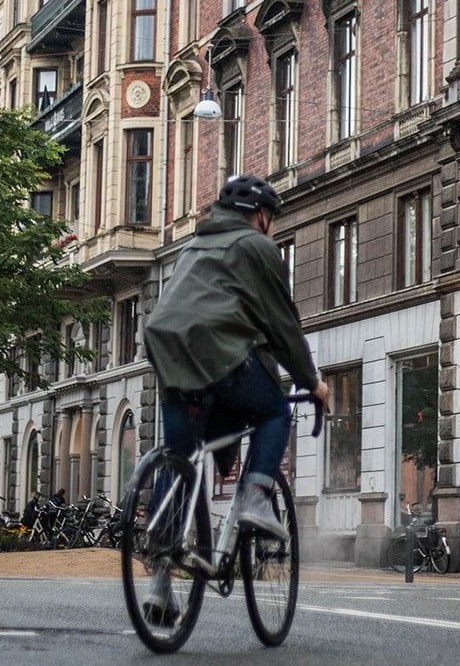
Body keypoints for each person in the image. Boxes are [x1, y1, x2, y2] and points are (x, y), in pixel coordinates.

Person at [143, 174, 329, 625]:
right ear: (261, 217)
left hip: (167, 353)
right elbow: (284, 323)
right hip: (219, 354)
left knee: (182, 455)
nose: (273, 228)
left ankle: (160, 585)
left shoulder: (193, 249)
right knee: (274, 412)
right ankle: (256, 498)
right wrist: (313, 382)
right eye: (274, 220)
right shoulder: (258, 248)